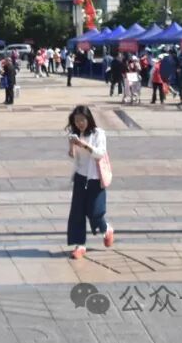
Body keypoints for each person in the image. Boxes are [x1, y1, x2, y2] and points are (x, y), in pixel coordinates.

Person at [65, 105, 113, 259]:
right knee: (77, 212)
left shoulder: (99, 134)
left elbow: (100, 154)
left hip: (95, 178)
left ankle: (107, 229)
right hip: (80, 177)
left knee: (95, 212)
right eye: (76, 121)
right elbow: (74, 156)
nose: (79, 123)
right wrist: (72, 146)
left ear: (88, 119)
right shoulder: (75, 134)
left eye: (82, 120)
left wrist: (84, 145)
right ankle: (80, 245)